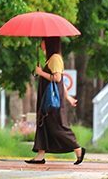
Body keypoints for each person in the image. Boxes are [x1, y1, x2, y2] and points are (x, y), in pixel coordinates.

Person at [25, 37, 86, 165]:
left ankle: (78, 149)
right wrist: (68, 97)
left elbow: (58, 79)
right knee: (44, 126)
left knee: (57, 127)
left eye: (43, 40)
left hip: (52, 102)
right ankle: (40, 155)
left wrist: (41, 72)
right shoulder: (51, 59)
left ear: (49, 42)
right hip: (47, 100)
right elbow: (61, 81)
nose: (41, 43)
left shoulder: (55, 58)